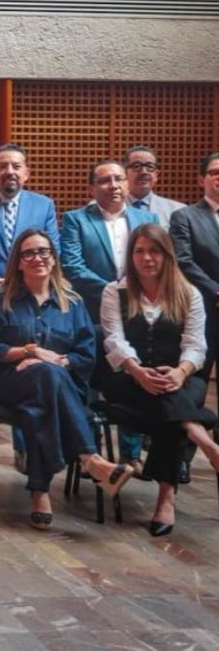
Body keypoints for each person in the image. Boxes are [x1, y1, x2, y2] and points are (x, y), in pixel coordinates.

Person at [0, 228, 135, 531]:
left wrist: (58, 361)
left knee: (39, 402)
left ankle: (40, 490)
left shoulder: (72, 303)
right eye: (29, 253)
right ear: (18, 262)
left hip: (56, 386)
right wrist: (30, 352)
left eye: (44, 251)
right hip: (8, 383)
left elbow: (86, 355)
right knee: (44, 376)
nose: (38, 258)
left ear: (53, 258)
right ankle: (90, 457)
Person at [99, 224, 219, 537]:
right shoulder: (115, 292)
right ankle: (203, 438)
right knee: (172, 406)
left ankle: (166, 496)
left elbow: (196, 345)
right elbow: (114, 339)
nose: (146, 258)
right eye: (139, 251)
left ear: (166, 255)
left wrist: (180, 372)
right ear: (131, 255)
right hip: (128, 378)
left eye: (154, 251)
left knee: (170, 402)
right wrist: (138, 371)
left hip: (178, 375)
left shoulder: (188, 293)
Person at [0, 143, 59, 473]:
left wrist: (19, 282)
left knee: (27, 369)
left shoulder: (43, 205)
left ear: (26, 172)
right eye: (3, 166)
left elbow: (51, 250)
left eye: (16, 166)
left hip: (28, 306)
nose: (10, 172)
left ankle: (24, 447)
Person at [61, 160, 157, 475]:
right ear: (92, 188)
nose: (113, 185)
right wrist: (115, 291)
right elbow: (73, 265)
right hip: (90, 313)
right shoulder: (77, 219)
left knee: (131, 377)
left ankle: (131, 454)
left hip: (137, 315)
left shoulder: (147, 219)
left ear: (127, 185)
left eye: (118, 179)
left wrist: (132, 295)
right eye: (104, 181)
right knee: (87, 379)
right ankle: (91, 456)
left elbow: (155, 262)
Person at [169, 151, 219, 485]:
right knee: (195, 387)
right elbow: (184, 262)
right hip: (204, 312)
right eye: (215, 172)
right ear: (201, 179)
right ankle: (183, 457)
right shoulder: (185, 216)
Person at [125, 145, 185, 228]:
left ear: (156, 175)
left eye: (150, 166)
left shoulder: (177, 210)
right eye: (136, 166)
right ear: (125, 173)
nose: (144, 172)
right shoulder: (112, 209)